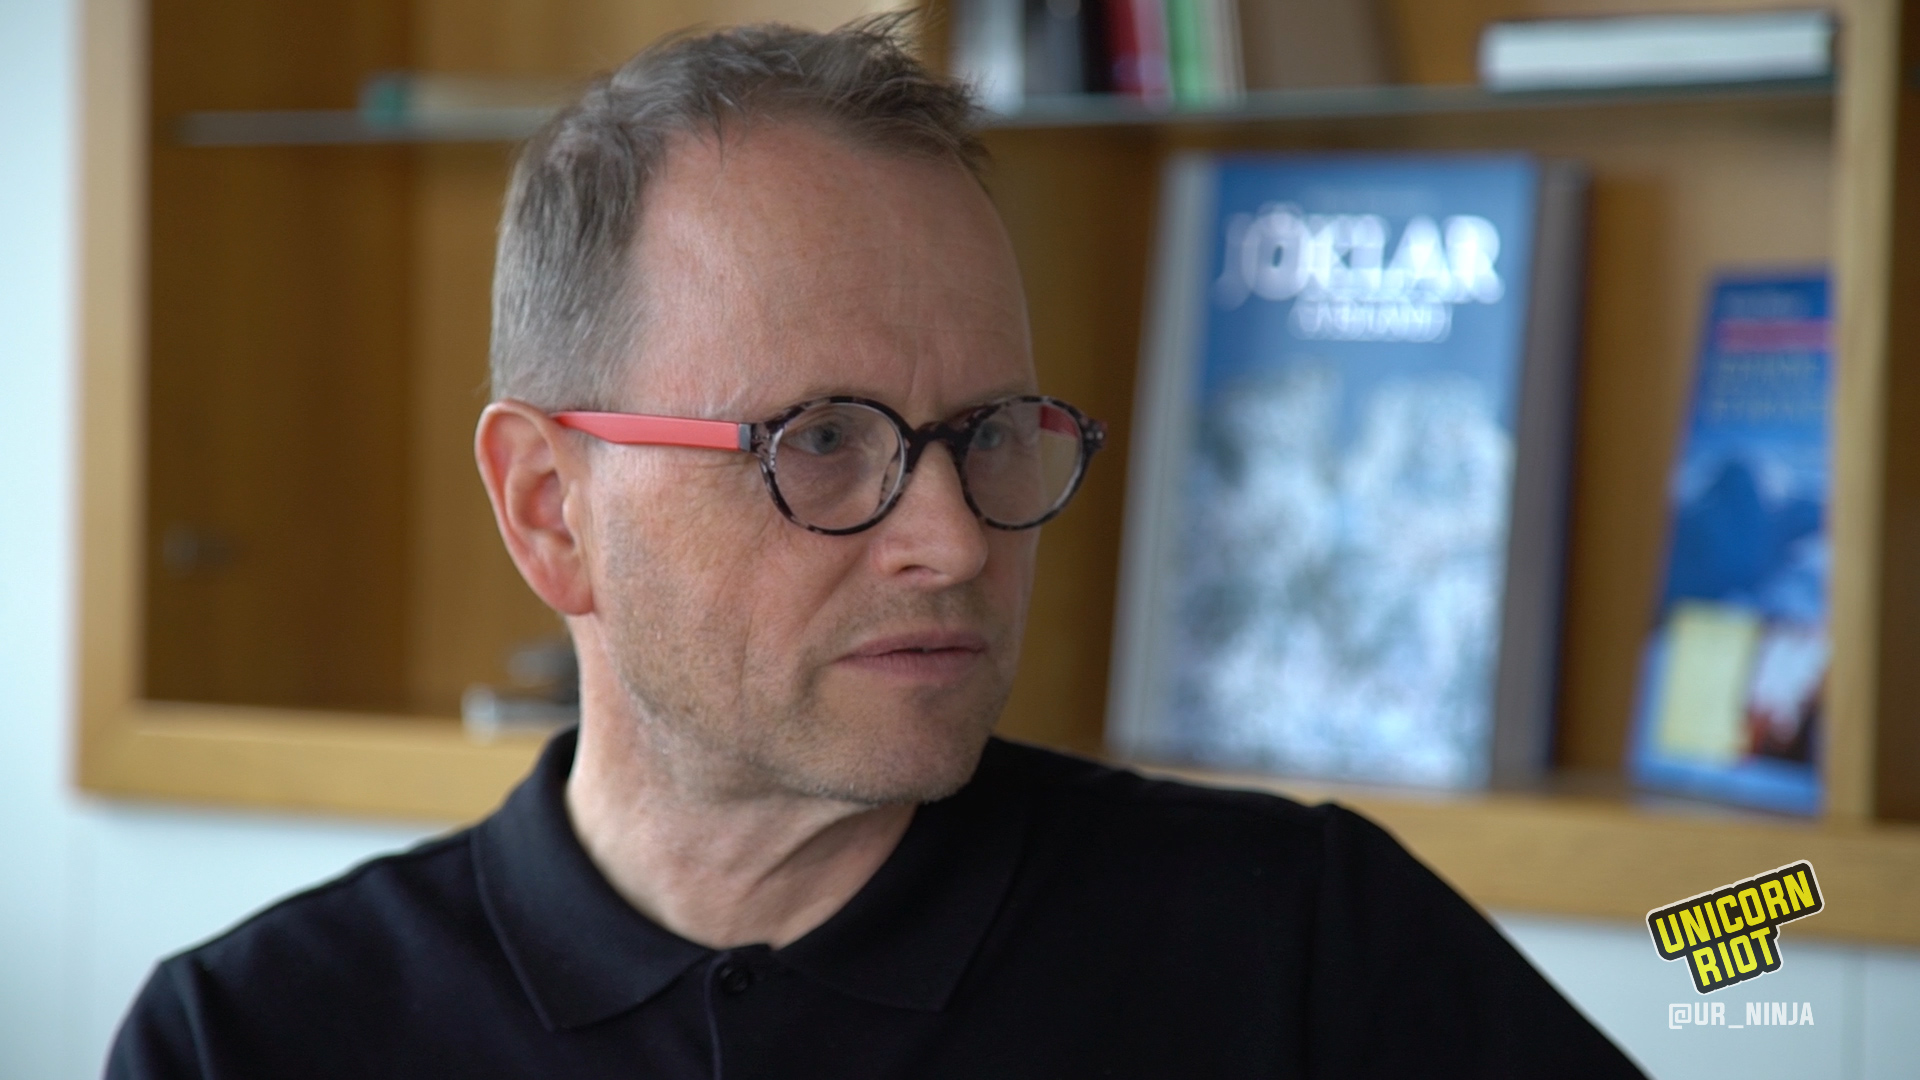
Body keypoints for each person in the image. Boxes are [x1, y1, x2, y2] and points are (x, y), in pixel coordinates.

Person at [109, 18, 1645, 1079]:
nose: (953, 538)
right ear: (549, 509)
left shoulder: (1303, 948)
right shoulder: (251, 1039)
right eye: (822, 439)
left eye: (991, 430)